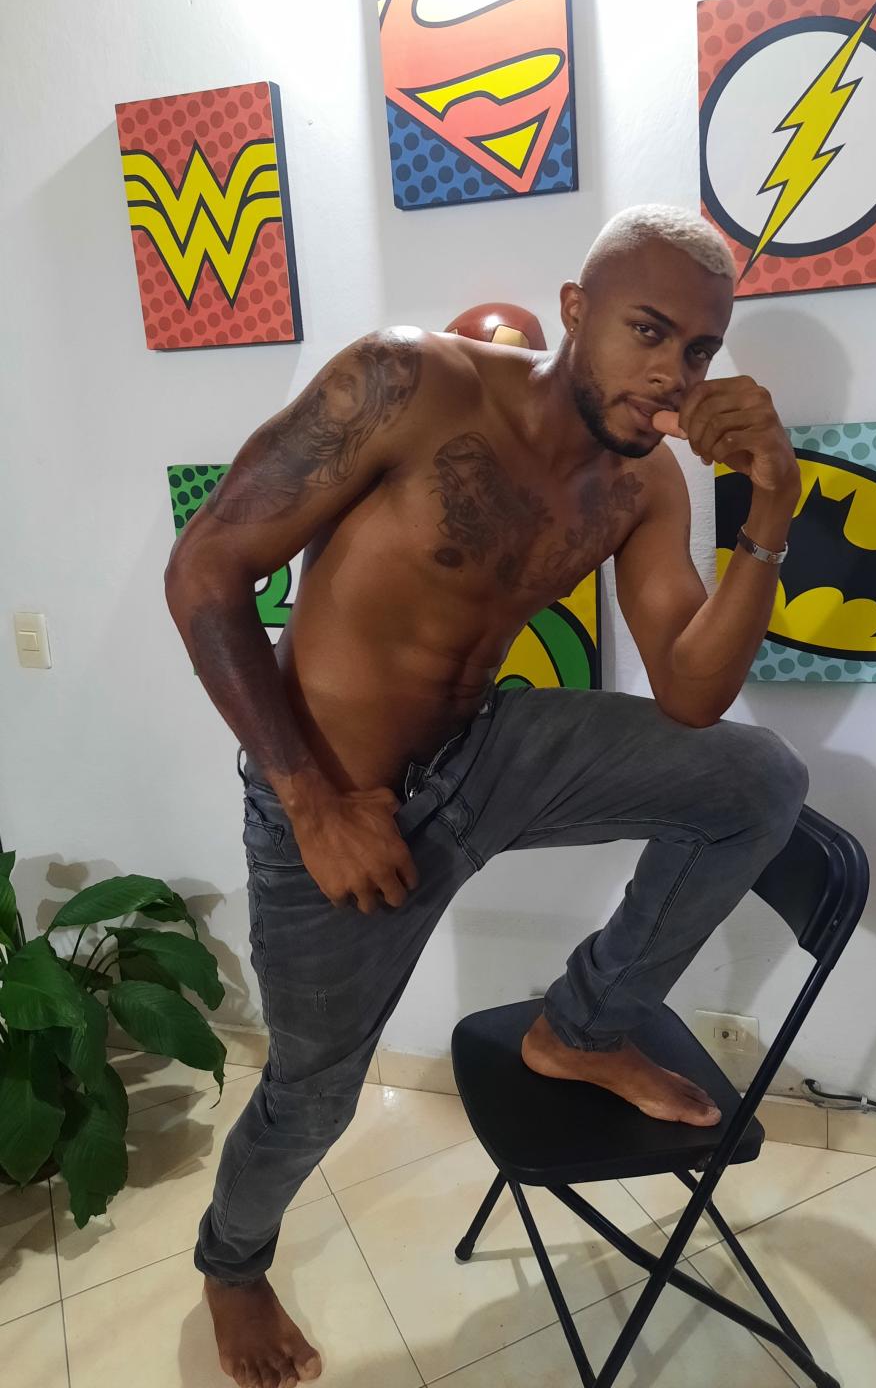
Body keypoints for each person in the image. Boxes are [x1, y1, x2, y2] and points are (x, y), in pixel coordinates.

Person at [164, 203, 809, 1388]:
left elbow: (692, 694)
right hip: (335, 796)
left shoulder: (644, 483)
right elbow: (205, 568)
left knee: (756, 779)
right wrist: (311, 802)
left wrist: (771, 506)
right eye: (647, 331)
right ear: (575, 311)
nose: (672, 373)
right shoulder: (405, 383)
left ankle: (582, 1029)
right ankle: (232, 1263)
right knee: (313, 1094)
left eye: (700, 349)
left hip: (486, 753)